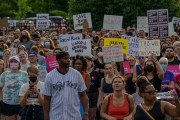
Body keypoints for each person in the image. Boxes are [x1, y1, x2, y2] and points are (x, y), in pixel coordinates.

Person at [43, 51, 89, 120]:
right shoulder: (50, 76)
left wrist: (85, 113)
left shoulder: (77, 74)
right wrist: (46, 117)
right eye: (65, 58)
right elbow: (46, 99)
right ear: (58, 61)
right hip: (56, 116)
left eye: (69, 58)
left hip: (74, 116)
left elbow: (83, 95)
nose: (68, 60)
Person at [0, 56, 29, 120]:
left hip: (20, 103)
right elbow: (0, 87)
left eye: (15, 61)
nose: (13, 63)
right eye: (11, 62)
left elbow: (28, 87)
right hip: (7, 103)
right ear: (9, 64)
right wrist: (2, 99)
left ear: (19, 63)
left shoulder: (24, 74)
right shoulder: (4, 74)